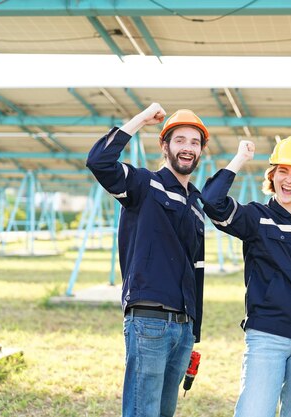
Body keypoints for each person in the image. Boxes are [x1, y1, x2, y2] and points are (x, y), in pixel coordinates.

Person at [200, 136, 291, 417]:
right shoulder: (256, 217)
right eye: (283, 171)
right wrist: (240, 158)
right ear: (272, 175)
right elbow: (211, 201)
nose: (289, 180)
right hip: (268, 335)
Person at [86, 103, 207, 417]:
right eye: (179, 140)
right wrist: (141, 119)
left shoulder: (196, 203)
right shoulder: (142, 185)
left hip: (183, 328)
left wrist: (195, 332)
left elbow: (197, 270)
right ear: (164, 145)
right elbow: (99, 161)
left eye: (195, 142)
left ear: (201, 151)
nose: (188, 148)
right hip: (149, 321)